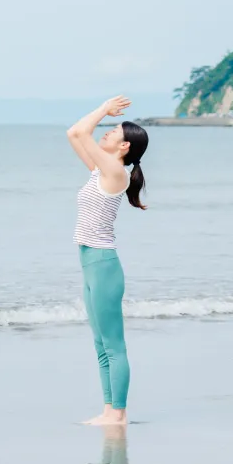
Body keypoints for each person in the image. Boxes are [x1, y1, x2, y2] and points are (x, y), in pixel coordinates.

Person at [66, 96, 149, 426]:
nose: (105, 132)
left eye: (112, 130)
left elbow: (84, 133)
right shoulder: (102, 171)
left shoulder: (116, 171)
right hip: (89, 262)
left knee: (114, 345)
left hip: (103, 265)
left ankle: (118, 413)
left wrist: (102, 108)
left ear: (124, 145)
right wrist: (103, 113)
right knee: (100, 344)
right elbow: (75, 133)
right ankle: (109, 410)